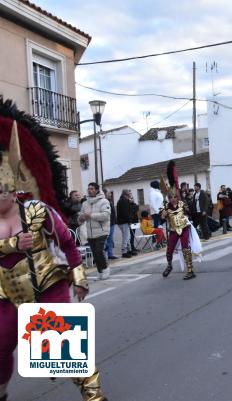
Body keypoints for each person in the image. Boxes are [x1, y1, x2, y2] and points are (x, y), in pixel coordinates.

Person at [0, 99, 107, 401]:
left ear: (11, 187)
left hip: (45, 285)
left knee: (62, 349)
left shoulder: (37, 211)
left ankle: (93, 395)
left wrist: (80, 277)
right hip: (6, 293)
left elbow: (67, 242)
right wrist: (10, 244)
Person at [160, 161, 198, 280]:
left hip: (184, 228)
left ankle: (190, 270)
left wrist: (187, 209)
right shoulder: (166, 206)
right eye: (170, 197)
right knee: (169, 250)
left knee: (185, 248)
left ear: (177, 196)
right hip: (173, 230)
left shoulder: (182, 203)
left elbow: (189, 211)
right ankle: (169, 265)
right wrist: (163, 214)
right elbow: (161, 217)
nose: (173, 199)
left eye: (174, 197)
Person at [78, 182, 111, 279]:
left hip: (102, 231)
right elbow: (80, 217)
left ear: (97, 190)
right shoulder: (85, 203)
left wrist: (90, 215)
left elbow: (105, 216)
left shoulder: (104, 201)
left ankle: (105, 269)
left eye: (92, 188)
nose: (90, 190)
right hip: (90, 233)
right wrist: (82, 218)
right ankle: (100, 271)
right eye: (88, 189)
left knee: (99, 251)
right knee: (94, 253)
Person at [116, 189, 133, 258]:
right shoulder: (123, 201)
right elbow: (125, 213)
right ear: (126, 194)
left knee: (127, 236)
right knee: (125, 237)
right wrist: (129, 220)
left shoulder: (123, 200)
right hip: (123, 222)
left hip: (123, 221)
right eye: (129, 193)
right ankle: (124, 251)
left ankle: (129, 250)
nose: (130, 194)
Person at [104, 190, 118, 260]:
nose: (110, 194)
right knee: (106, 239)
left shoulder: (110, 201)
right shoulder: (104, 202)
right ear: (105, 194)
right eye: (109, 193)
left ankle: (110, 254)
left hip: (112, 223)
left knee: (110, 239)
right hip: (107, 223)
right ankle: (105, 253)